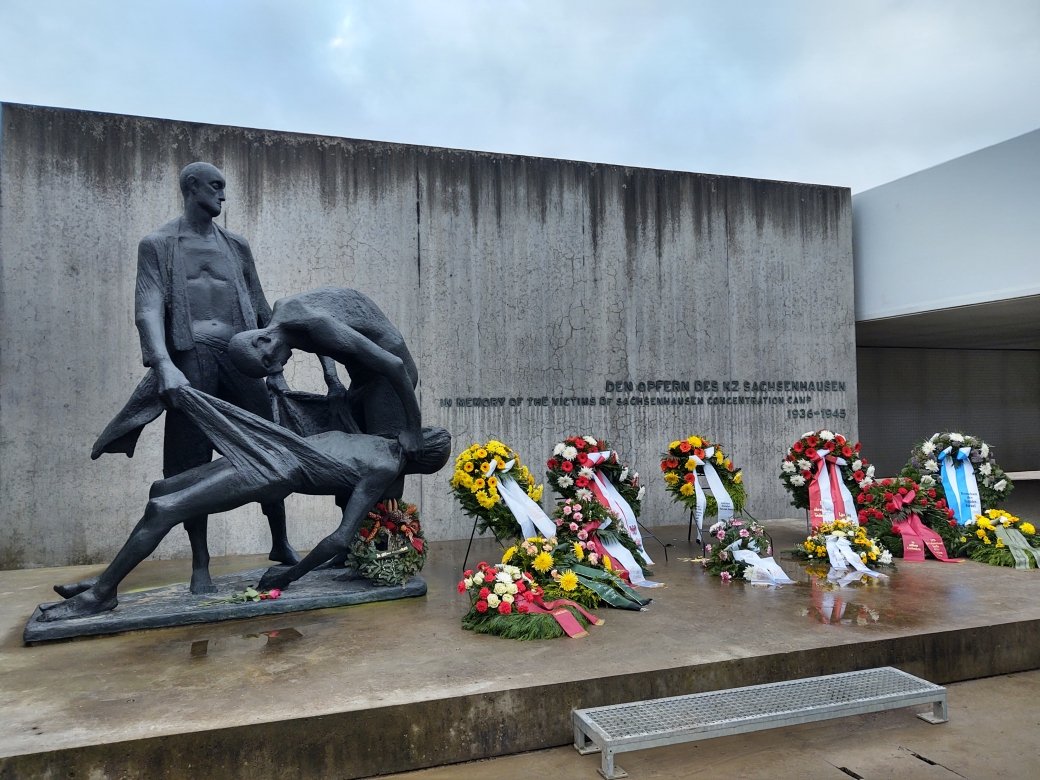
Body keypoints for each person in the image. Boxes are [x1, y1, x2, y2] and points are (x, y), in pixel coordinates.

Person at [40, 387, 450, 622]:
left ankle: (103, 594)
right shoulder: (378, 443)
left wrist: (289, 577)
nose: (413, 433)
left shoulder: (382, 466)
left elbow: (341, 538)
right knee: (161, 490)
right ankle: (102, 581)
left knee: (163, 510)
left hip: (275, 470)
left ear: (419, 452)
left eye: (421, 435)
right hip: (274, 451)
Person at [90, 162, 297, 594]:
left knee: (271, 447)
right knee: (188, 464)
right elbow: (147, 307)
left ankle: (280, 541)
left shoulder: (236, 246)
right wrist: (162, 363)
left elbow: (261, 309)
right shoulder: (159, 244)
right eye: (216, 187)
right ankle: (200, 562)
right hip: (190, 361)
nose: (223, 195)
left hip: (240, 359)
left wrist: (275, 368)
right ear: (192, 188)